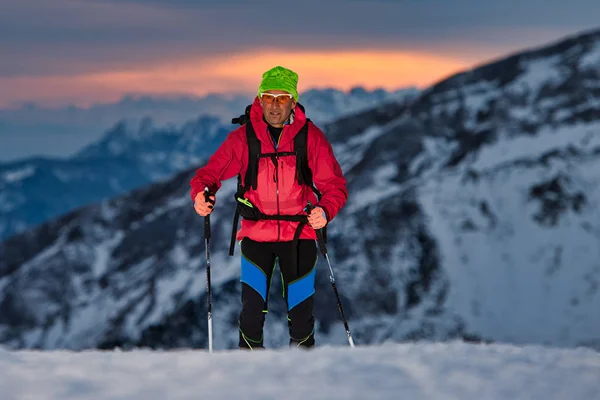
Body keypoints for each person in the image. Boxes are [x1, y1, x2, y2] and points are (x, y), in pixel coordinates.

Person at [190, 65, 347, 350]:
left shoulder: (310, 138)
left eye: (282, 97)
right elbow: (208, 176)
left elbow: (334, 187)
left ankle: (302, 378)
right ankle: (249, 379)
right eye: (269, 97)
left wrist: (324, 211)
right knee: (251, 313)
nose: (275, 105)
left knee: (301, 316)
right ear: (259, 99)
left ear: (293, 101)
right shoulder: (243, 139)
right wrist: (202, 196)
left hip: (300, 234)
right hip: (256, 235)